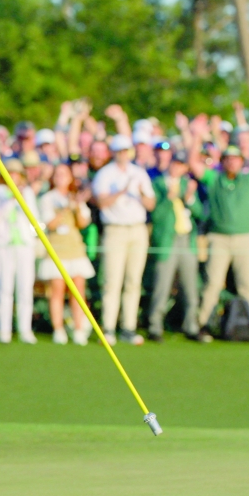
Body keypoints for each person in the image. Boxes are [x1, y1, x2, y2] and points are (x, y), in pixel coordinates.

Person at [188, 120, 249, 342]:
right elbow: (194, 163)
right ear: (223, 162)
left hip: (243, 238)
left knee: (245, 285)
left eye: (236, 159)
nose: (232, 162)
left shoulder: (248, 179)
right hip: (218, 238)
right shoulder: (214, 179)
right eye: (228, 159)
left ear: (242, 162)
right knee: (213, 284)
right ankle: (202, 325)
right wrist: (196, 136)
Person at [92, 134, 155, 345]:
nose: (123, 154)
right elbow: (102, 202)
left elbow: (150, 203)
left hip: (137, 230)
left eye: (126, 150)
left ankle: (128, 327)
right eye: (119, 151)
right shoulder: (105, 174)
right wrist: (121, 192)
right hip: (115, 230)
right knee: (112, 280)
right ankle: (108, 328)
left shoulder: (139, 173)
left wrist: (138, 193)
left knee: (133, 281)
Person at [147, 151, 202, 342]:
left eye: (181, 165)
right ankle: (155, 326)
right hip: (167, 240)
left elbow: (199, 212)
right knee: (162, 284)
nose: (177, 168)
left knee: (190, 286)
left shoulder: (187, 185)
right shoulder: (158, 184)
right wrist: (168, 198)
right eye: (175, 164)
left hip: (186, 239)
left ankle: (191, 325)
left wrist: (189, 198)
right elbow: (157, 215)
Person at [38, 163, 94, 346]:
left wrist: (77, 205)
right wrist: (65, 208)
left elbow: (83, 222)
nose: (61, 177)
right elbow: (50, 224)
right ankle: (59, 329)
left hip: (75, 248)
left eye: (65, 174)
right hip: (57, 249)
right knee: (57, 290)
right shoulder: (47, 198)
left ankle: (79, 329)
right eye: (58, 174)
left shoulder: (75, 197)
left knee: (78, 291)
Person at [0, 159, 40, 345]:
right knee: (4, 288)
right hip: (4, 245)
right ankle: (4, 330)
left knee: (25, 288)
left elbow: (33, 217)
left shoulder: (27, 193)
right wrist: (11, 199)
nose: (14, 177)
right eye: (10, 173)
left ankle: (25, 329)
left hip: (24, 245)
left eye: (17, 173)